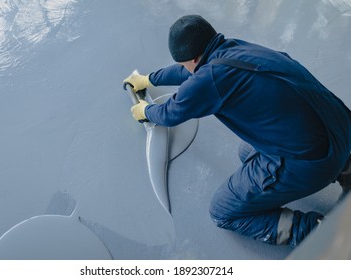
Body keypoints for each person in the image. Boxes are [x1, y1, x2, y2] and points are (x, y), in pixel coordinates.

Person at [123, 15, 351, 247]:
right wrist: (149, 79)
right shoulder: (234, 48)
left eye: (184, 65)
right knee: (246, 151)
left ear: (192, 59)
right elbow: (191, 73)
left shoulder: (210, 78)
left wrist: (146, 111)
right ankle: (347, 169)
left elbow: (170, 113)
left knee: (223, 211)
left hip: (314, 161)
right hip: (341, 131)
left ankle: (321, 233)